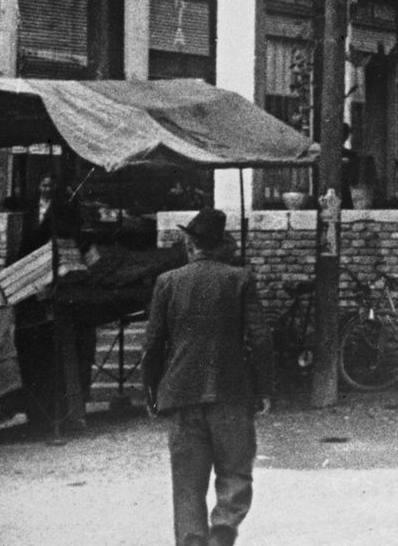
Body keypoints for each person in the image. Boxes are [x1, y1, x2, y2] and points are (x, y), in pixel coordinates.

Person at [142, 208, 271, 546]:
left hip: (181, 392)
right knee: (235, 473)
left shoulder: (167, 282)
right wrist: (263, 388)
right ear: (221, 245)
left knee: (187, 483)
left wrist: (152, 391)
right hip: (231, 391)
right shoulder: (240, 279)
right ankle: (223, 533)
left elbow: (152, 344)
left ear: (191, 244)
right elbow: (260, 338)